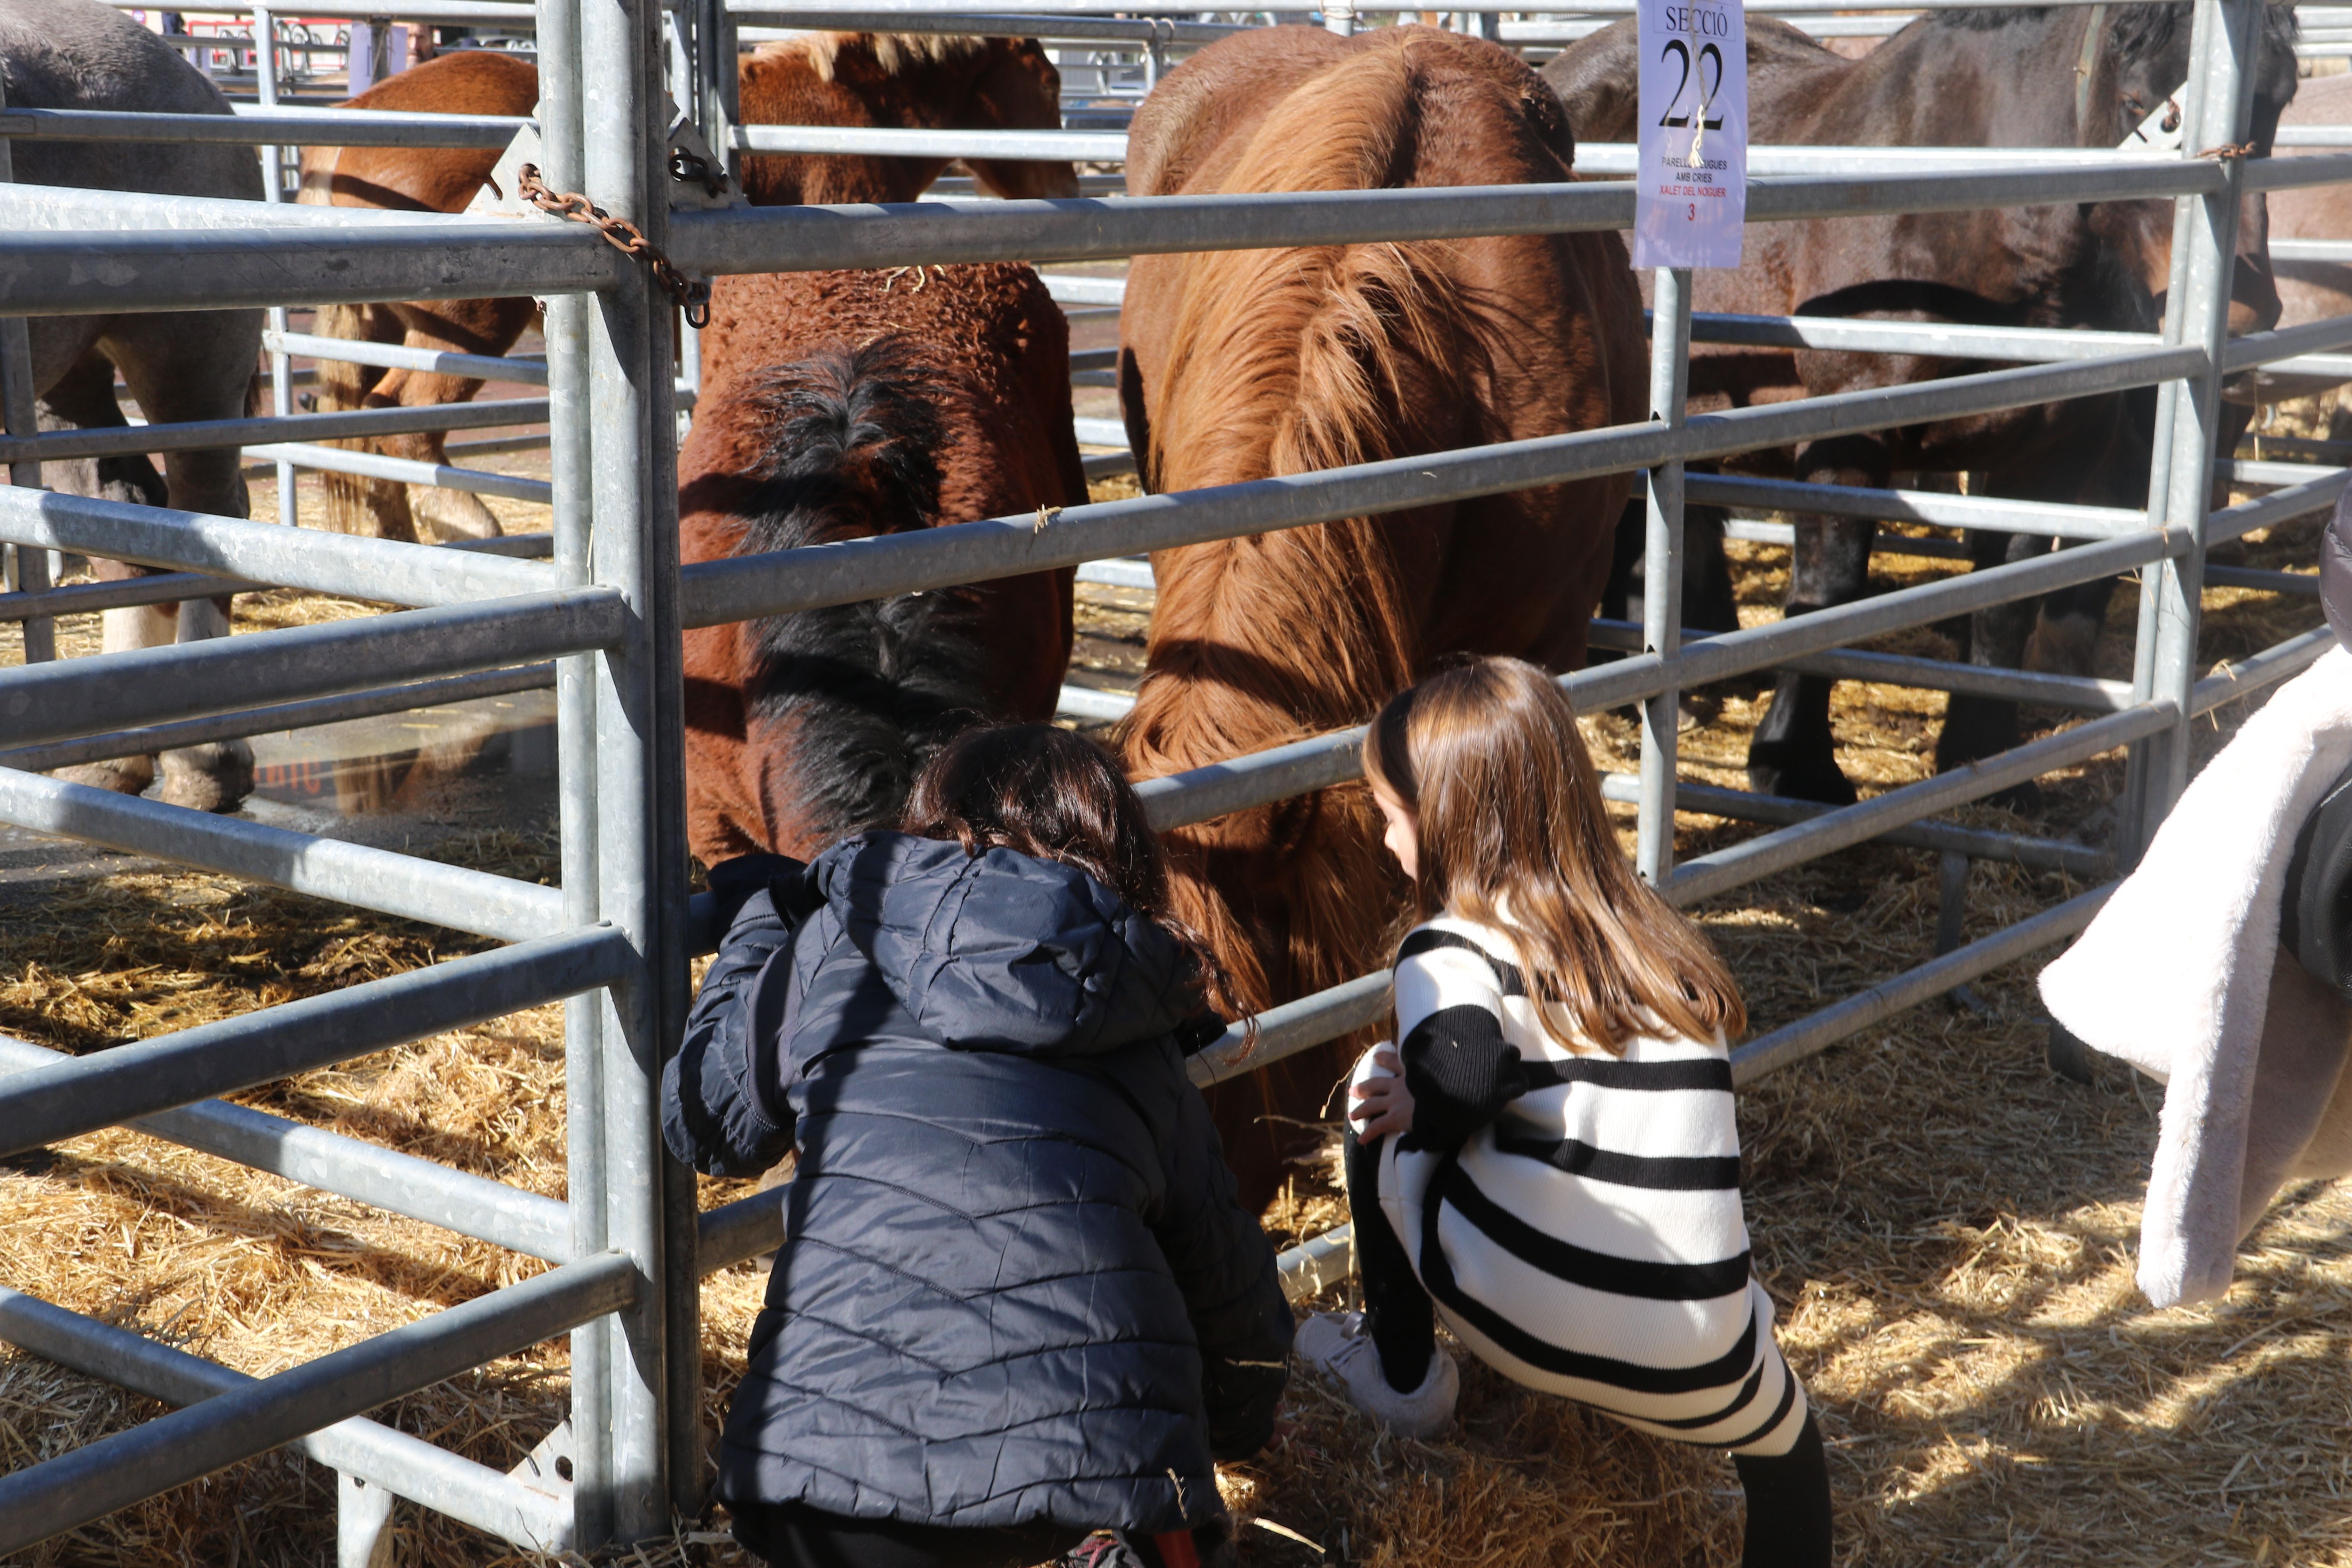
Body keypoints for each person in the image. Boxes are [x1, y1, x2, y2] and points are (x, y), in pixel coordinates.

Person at [663, 723, 1293, 1568]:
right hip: (1062, 1488)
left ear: (931, 821)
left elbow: (704, 1120)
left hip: (819, 1484)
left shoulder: (833, 951)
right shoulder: (1136, 1023)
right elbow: (1228, 1285)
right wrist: (1240, 1424)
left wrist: (761, 922)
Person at [1294, 656, 1833, 1568]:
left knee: (1379, 1086)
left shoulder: (1448, 946)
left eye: (1394, 818)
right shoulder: (1652, 942)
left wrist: (1419, 1099)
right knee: (1792, 1450)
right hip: (1709, 1349)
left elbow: (1462, 1072)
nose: (1386, 845)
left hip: (1520, 1315)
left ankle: (1403, 1374)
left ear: (1453, 820)